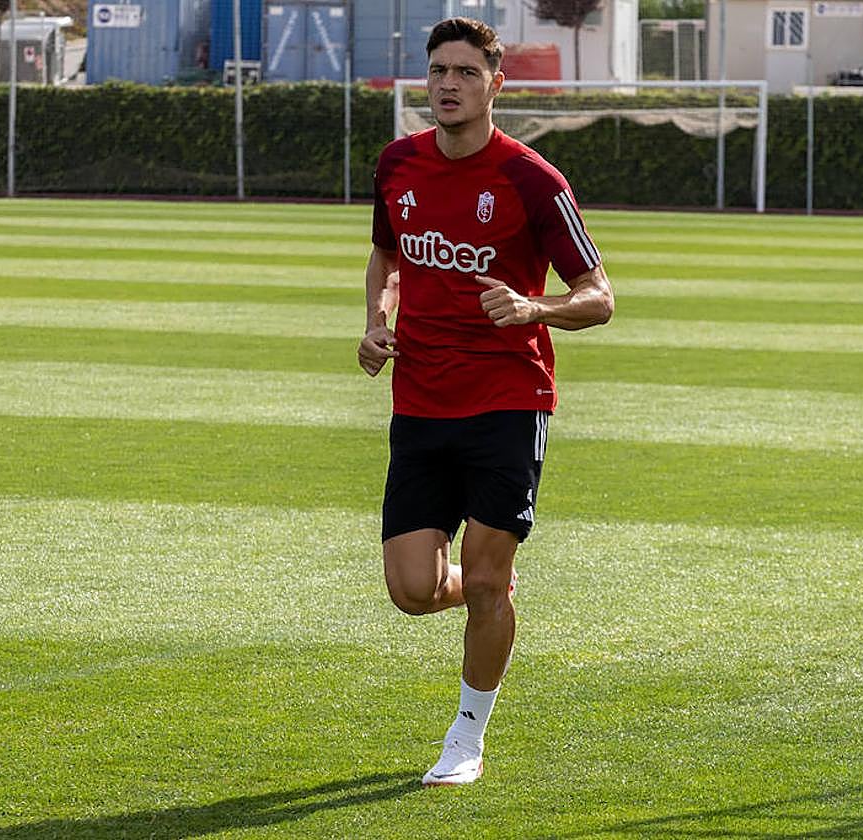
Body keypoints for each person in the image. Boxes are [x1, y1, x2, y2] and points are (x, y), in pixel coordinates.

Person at [358, 16, 614, 787]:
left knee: (484, 579)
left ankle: (467, 735)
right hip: (421, 402)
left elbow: (599, 297)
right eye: (439, 70)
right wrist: (376, 322)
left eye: (466, 72)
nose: (448, 84)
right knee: (410, 590)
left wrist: (536, 309)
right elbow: (387, 255)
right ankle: (489, 589)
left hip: (509, 399)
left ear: (496, 84)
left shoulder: (534, 179)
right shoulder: (398, 163)